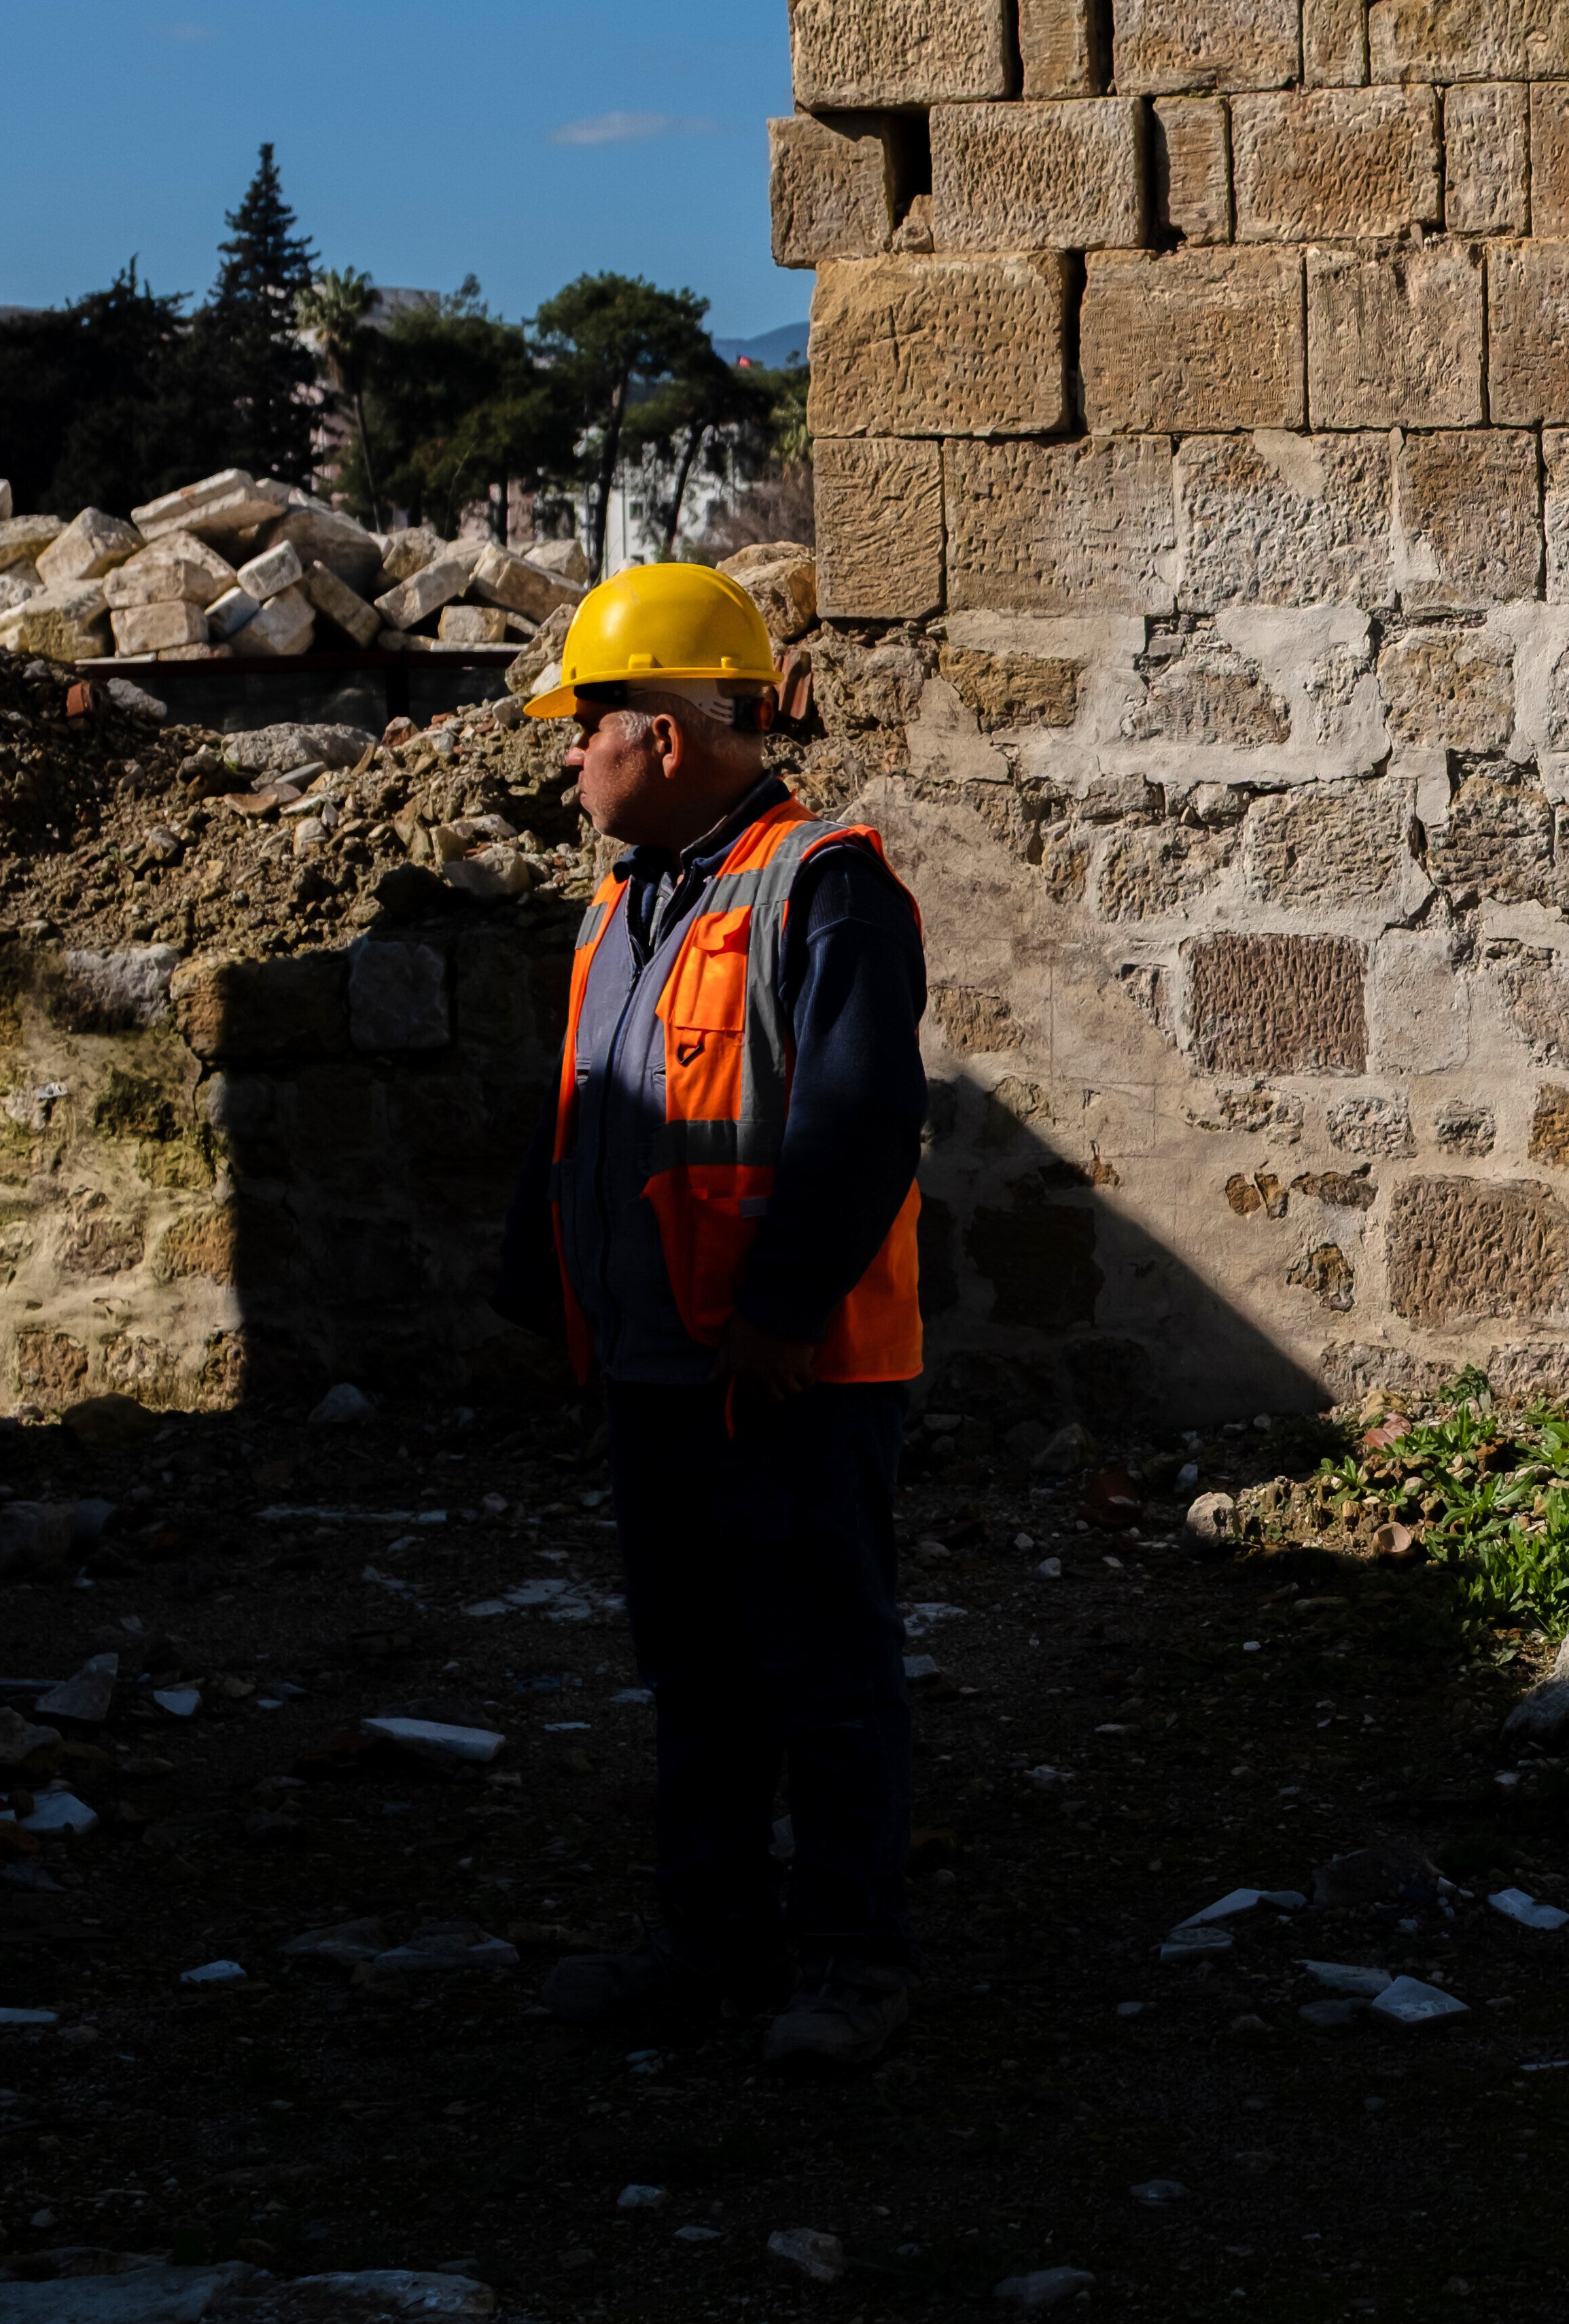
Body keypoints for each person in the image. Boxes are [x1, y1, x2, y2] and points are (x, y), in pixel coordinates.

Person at [493, 561, 930, 2072]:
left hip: (787, 1373)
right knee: (696, 1672)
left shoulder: (828, 885)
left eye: (585, 720)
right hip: (662, 1365)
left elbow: (865, 1123)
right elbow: (592, 1127)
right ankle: (713, 1939)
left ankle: (856, 1960)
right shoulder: (624, 902)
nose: (568, 752)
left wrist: (781, 1316)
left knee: (823, 1669)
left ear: (664, 736)